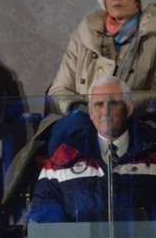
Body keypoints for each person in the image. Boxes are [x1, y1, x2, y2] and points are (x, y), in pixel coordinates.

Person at [29, 77, 156, 223]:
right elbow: (43, 217)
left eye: (113, 103)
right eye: (98, 104)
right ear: (90, 111)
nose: (105, 111)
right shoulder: (65, 155)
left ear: (129, 108)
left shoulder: (152, 152)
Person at [49, 0, 156, 116]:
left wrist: (119, 105)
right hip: (85, 119)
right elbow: (58, 91)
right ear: (104, 0)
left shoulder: (152, 35)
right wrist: (79, 108)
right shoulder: (84, 34)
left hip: (137, 123)